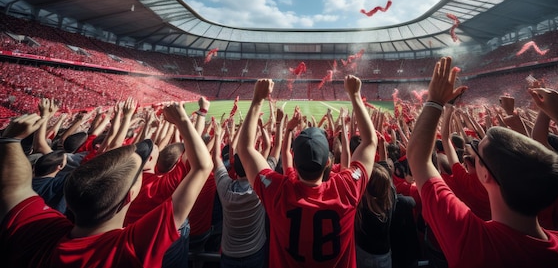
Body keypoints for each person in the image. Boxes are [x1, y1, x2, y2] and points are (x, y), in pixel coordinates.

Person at [406, 56, 558, 267]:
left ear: (486, 175)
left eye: (478, 151)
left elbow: (417, 157)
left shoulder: (477, 245)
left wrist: (435, 100)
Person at [0, 101, 212, 267]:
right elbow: (202, 167)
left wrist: (9, 140)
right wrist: (11, 139)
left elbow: (14, 187)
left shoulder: (41, 230)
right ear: (130, 195)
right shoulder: (131, 248)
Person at [238, 76, 378, 267]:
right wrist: (355, 95)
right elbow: (370, 141)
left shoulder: (278, 191)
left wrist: (257, 100)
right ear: (328, 162)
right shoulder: (345, 189)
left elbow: (245, 149)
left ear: (294, 163)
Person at [212, 122, 267, 267]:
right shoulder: (261, 188)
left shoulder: (224, 188)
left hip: (229, 255)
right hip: (256, 252)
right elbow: (270, 148)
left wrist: (218, 134)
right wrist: (261, 129)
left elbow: (216, 159)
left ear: (234, 169)